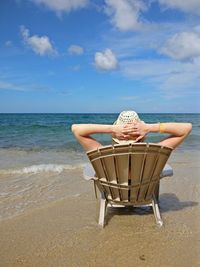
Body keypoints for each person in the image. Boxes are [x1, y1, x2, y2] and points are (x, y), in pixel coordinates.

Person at [71, 110, 192, 151]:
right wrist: (149, 128)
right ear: (141, 134)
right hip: (144, 194)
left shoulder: (104, 155)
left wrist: (112, 129)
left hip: (114, 196)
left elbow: (76, 129)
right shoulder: (154, 154)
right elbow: (186, 128)